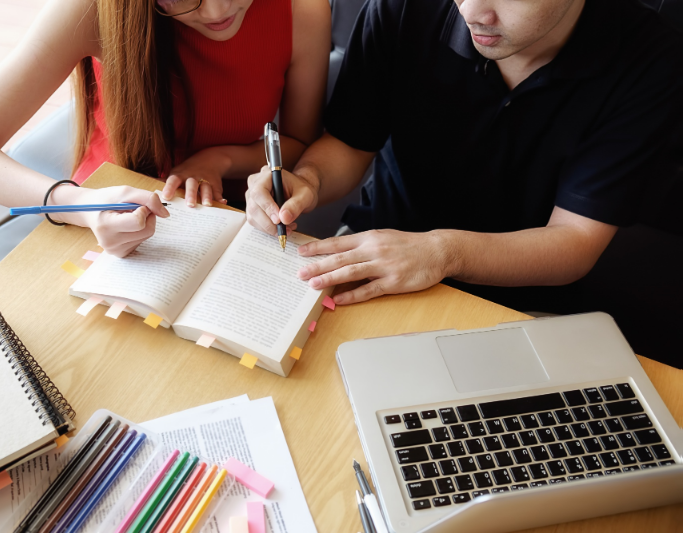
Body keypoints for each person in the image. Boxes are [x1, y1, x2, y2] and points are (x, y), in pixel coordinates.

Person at [246, 0, 683, 306]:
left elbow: (574, 242)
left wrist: (441, 253)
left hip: (524, 299)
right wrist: (308, 181)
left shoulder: (649, 59)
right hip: (373, 260)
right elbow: (349, 143)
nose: (472, 12)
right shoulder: (402, 7)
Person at [0, 0, 330, 258]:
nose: (215, 11)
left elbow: (297, 143)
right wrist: (80, 209)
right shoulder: (91, 10)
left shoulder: (302, 11)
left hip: (225, 223)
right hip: (98, 215)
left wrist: (219, 159)